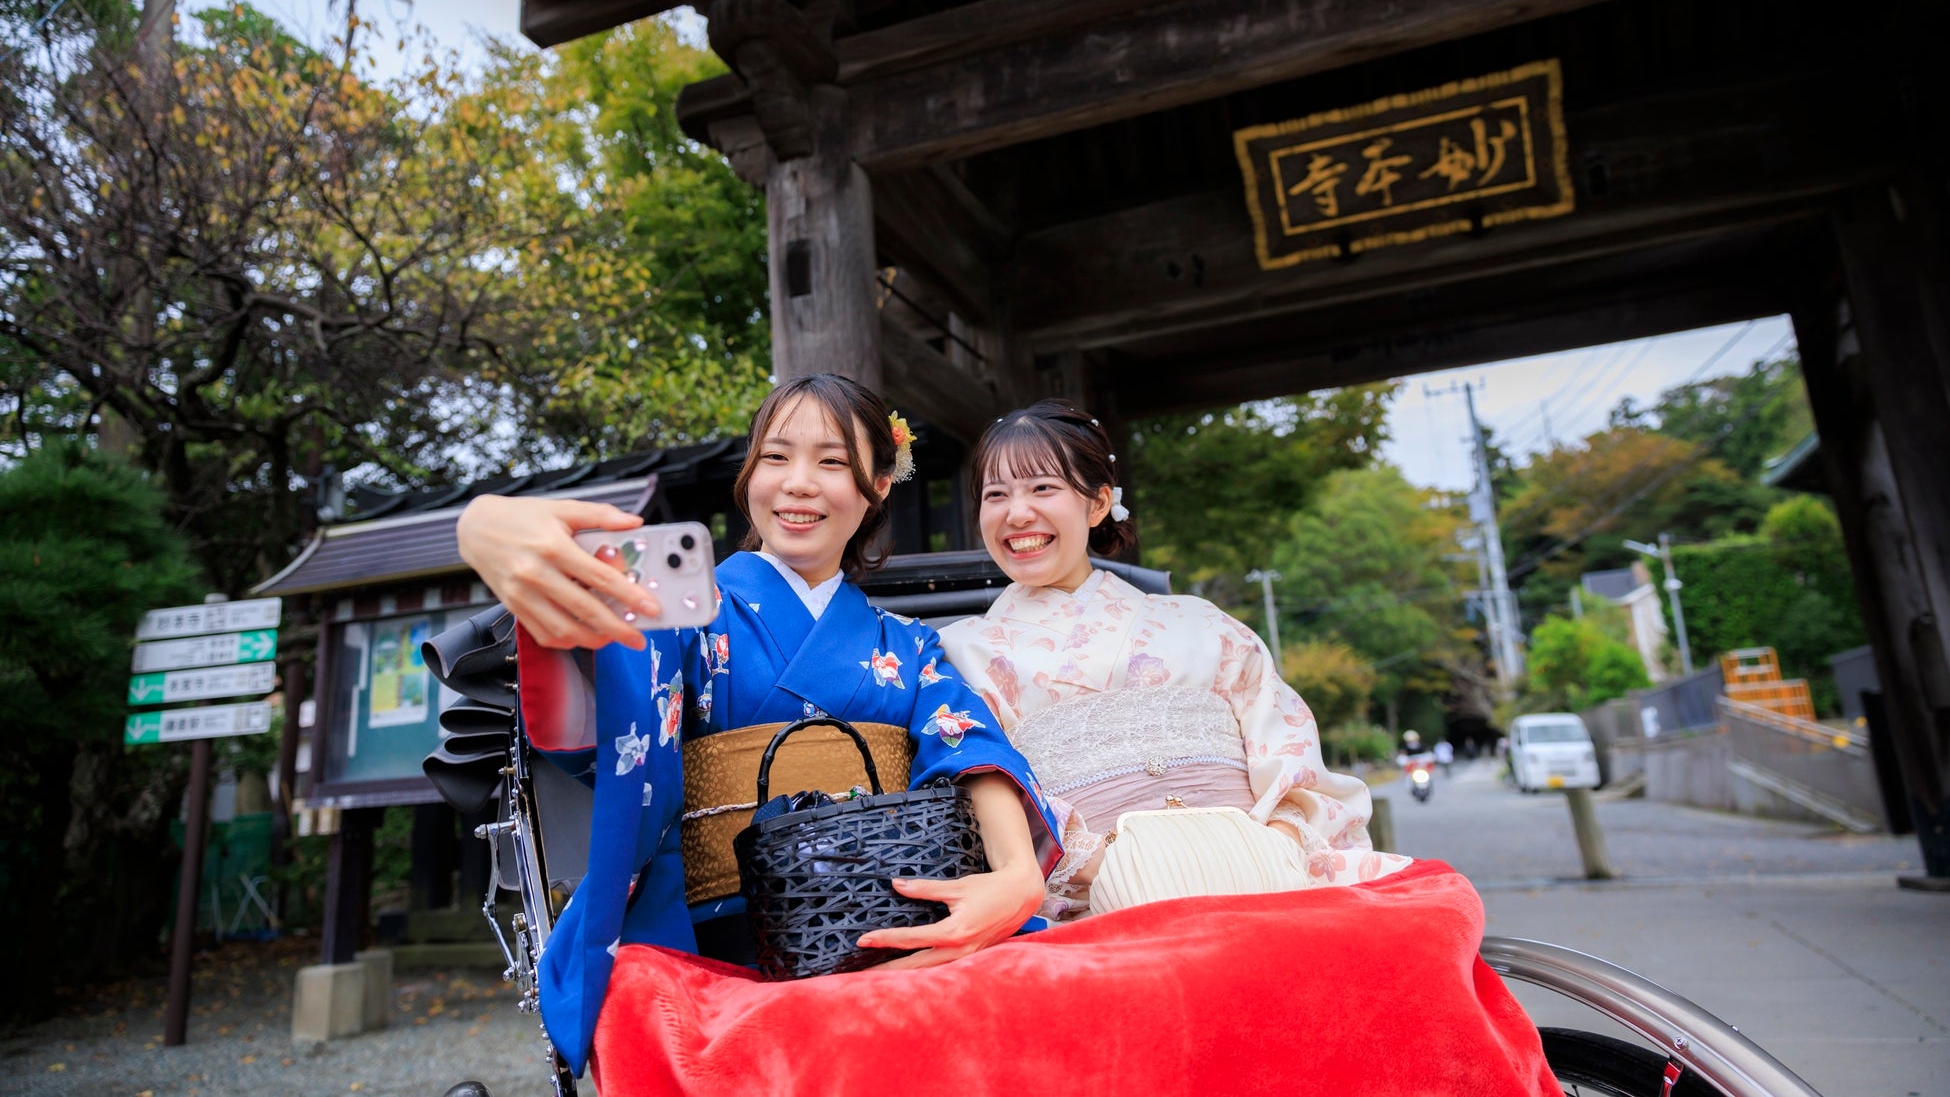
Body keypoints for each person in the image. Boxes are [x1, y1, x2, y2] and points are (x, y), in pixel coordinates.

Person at [454, 374, 1060, 1077]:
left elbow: (968, 742)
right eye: (775, 458)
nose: (798, 483)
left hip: (891, 926)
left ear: (880, 482)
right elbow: (609, 678)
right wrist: (484, 524)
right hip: (715, 937)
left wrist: (1017, 875)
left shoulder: (910, 645)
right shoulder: (685, 608)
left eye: (832, 462)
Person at [938, 400, 1411, 918]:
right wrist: (1118, 866)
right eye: (996, 495)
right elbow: (985, 785)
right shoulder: (961, 655)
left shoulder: (1202, 623)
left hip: (1261, 870)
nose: (1017, 513)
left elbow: (1287, 752)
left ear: (1097, 504)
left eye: (1042, 488)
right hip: (1092, 897)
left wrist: (1272, 846)